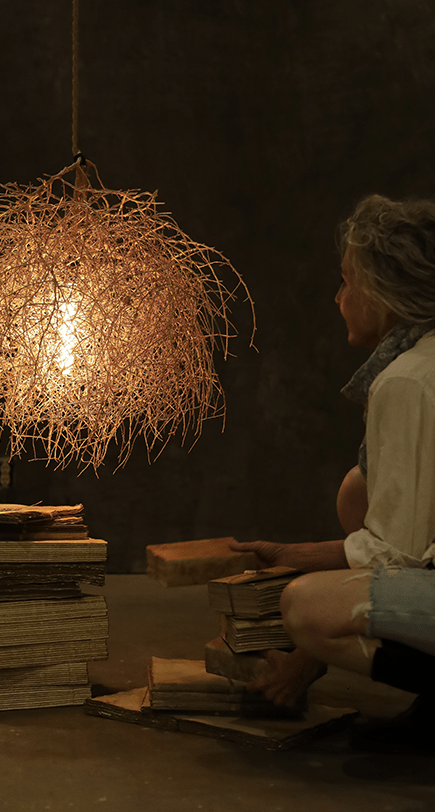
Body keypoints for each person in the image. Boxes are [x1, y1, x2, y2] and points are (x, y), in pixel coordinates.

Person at [231, 194, 435, 749]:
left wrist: (298, 566)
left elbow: (402, 556)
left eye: (348, 282)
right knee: (358, 492)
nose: (338, 297)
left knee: (306, 605)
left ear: (383, 290)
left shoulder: (410, 379)